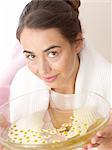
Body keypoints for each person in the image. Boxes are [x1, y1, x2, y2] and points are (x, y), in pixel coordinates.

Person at [1, 0, 111, 150]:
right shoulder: (22, 84)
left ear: (77, 43)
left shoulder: (107, 90)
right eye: (31, 56)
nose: (43, 69)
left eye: (52, 53)